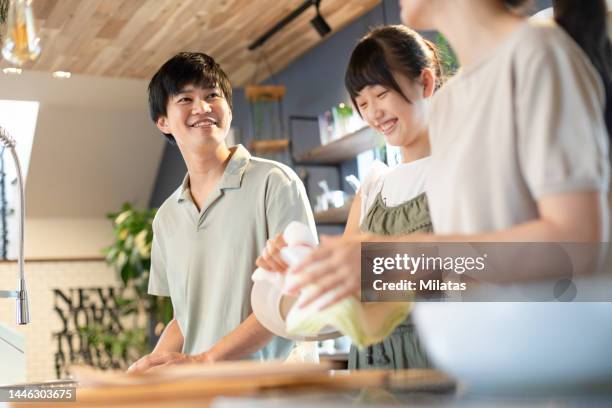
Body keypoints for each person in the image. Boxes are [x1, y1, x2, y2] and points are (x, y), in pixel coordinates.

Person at [282, 0, 609, 308]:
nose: (373, 112)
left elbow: (576, 244)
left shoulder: (537, 54)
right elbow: (463, 271)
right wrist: (340, 271)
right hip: (475, 353)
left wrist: (405, 255)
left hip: (542, 354)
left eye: (380, 94)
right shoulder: (450, 103)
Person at [258, 25, 443, 370]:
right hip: (371, 370)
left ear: (426, 83)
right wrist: (297, 270)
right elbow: (346, 296)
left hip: (437, 359)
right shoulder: (374, 186)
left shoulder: (460, 170)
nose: (373, 113)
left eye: (381, 94)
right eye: (362, 103)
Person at [128, 52, 316, 373]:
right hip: (203, 391)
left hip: (272, 387)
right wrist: (149, 369)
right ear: (163, 121)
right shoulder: (166, 218)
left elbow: (293, 296)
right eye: (185, 98)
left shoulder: (275, 183)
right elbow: (187, 318)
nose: (202, 108)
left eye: (212, 96)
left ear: (228, 108)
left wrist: (205, 359)